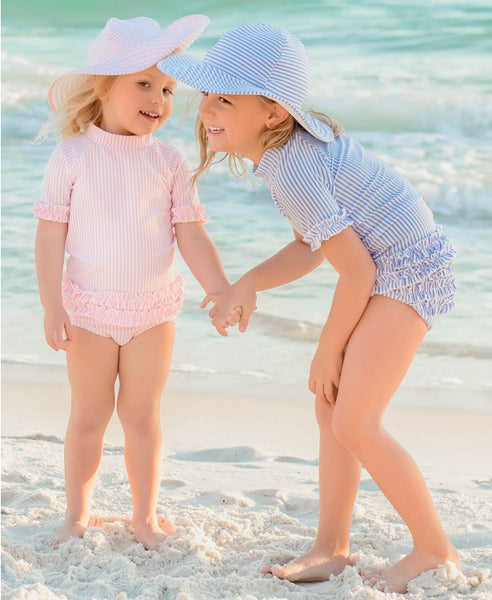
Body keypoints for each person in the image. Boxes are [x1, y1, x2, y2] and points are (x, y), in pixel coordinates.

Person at [159, 23, 460, 592]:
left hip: (409, 270)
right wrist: (247, 283)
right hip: (391, 265)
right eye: (208, 95)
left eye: (227, 98)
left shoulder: (292, 165)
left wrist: (327, 352)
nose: (207, 110)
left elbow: (357, 270)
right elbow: (312, 245)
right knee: (333, 413)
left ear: (273, 113)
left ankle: (434, 549)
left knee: (354, 419)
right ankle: (331, 547)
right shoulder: (288, 151)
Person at [34, 15, 239, 550]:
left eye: (168, 87)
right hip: (88, 312)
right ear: (104, 87)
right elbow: (50, 237)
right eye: (143, 83)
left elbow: (191, 236)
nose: (159, 97)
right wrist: (51, 305)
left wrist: (221, 291)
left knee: (142, 417)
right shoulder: (73, 155)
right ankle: (76, 515)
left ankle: (143, 517)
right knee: (89, 417)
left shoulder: (169, 161)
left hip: (153, 311)